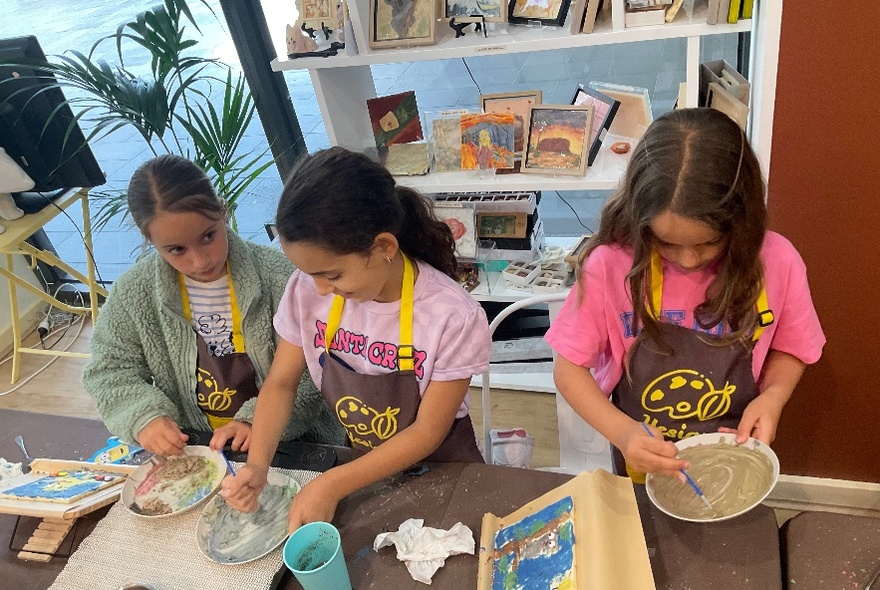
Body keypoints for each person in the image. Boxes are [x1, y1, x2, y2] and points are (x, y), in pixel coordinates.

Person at [545, 108, 825, 481]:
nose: (688, 259)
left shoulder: (777, 263)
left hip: (733, 454)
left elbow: (791, 347)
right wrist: (623, 432)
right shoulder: (611, 266)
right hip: (645, 462)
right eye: (665, 243)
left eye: (709, 243)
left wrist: (773, 397)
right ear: (639, 220)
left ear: (742, 221)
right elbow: (568, 371)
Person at [221, 147, 491, 529]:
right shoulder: (306, 289)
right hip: (365, 463)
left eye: (332, 275)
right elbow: (281, 383)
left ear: (383, 247)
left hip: (443, 466)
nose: (319, 288)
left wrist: (331, 485)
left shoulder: (452, 315)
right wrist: (258, 464)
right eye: (307, 273)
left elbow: (428, 431)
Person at [83, 155, 343, 457]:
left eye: (208, 236)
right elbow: (109, 372)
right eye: (176, 249)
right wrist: (144, 416)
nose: (200, 260)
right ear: (149, 238)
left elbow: (319, 370)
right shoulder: (134, 293)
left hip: (297, 444)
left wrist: (254, 421)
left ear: (222, 210)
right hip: (198, 447)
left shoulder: (282, 277)